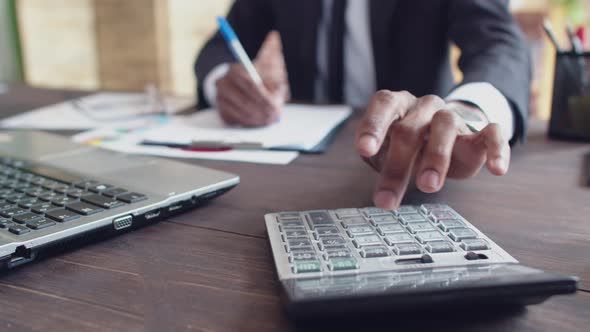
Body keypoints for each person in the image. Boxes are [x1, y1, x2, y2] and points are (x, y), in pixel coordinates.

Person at [194, 0, 531, 209]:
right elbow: (219, 46)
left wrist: (466, 111)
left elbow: (499, 44)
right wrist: (222, 80)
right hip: (301, 161)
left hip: (415, 154)